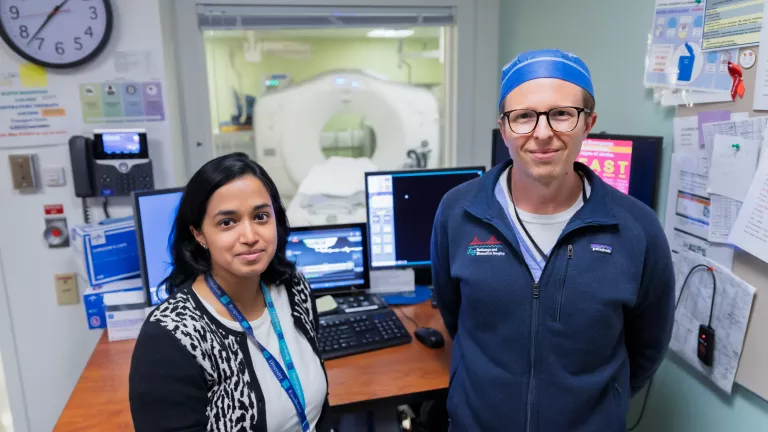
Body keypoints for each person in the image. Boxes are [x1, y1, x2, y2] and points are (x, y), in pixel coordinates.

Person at [430, 49, 675, 431]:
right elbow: (453, 314)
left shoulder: (637, 229)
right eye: (524, 116)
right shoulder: (458, 212)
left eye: (561, 114)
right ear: (504, 128)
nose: (542, 133)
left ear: (588, 122)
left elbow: (648, 345)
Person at [129, 153, 332, 431]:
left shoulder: (294, 288)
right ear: (199, 234)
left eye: (261, 216)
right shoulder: (170, 336)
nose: (249, 236)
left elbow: (318, 409)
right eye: (227, 222)